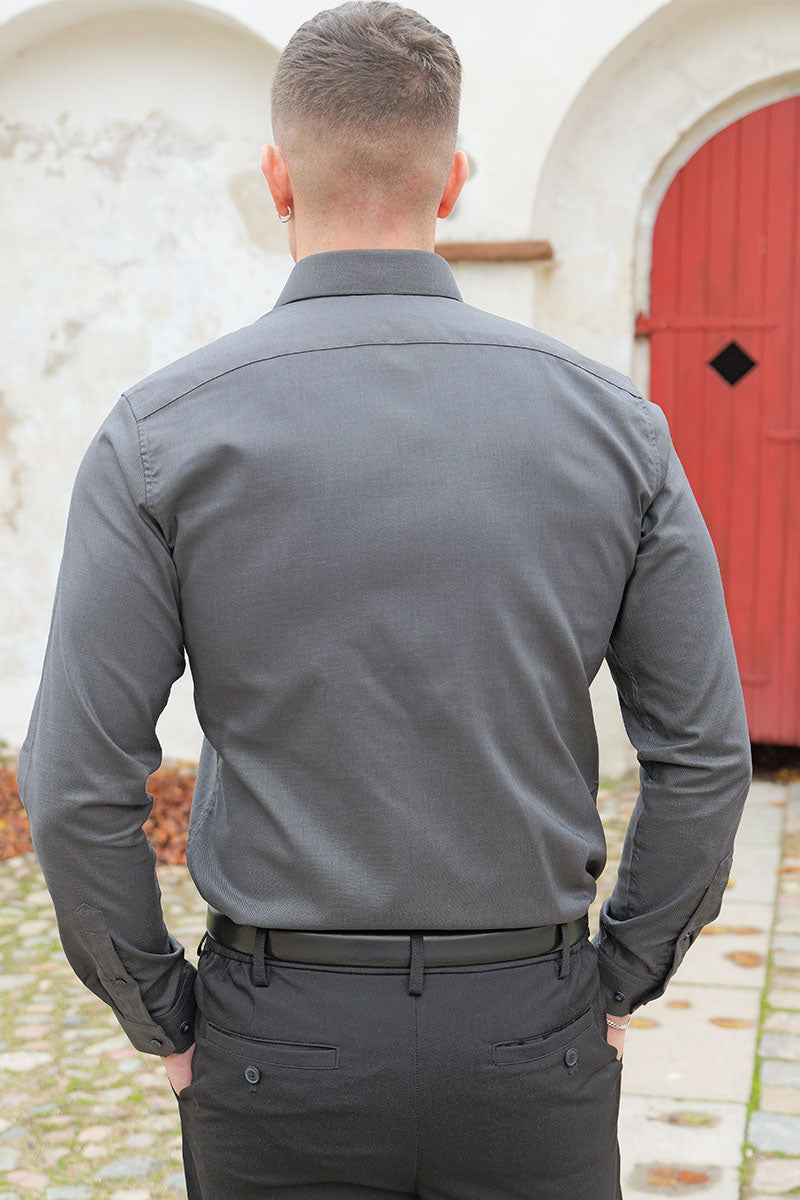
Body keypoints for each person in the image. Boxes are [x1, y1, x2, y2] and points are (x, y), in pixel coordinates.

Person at [18, 2, 752, 1197]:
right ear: (452, 181)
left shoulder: (161, 436)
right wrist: (619, 976)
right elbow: (705, 756)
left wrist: (162, 1013)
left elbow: (72, 783)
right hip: (529, 1032)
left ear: (276, 178)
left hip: (277, 1044)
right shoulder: (616, 428)